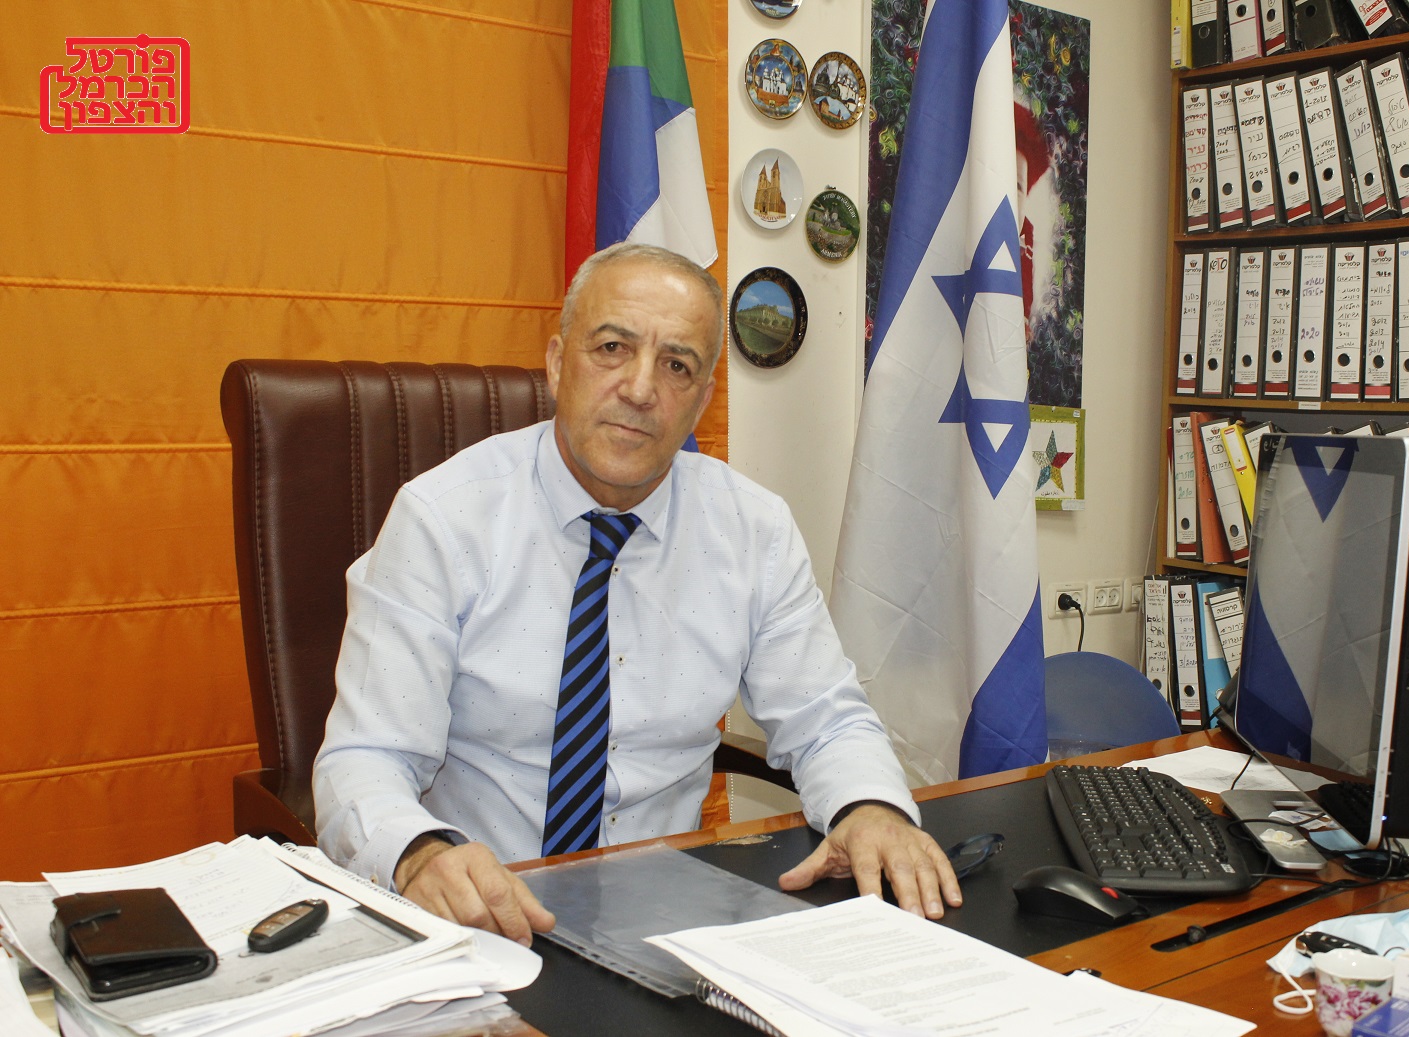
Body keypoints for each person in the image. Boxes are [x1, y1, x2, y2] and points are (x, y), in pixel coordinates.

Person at [313, 243, 959, 945]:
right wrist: (419, 854)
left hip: (664, 923)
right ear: (558, 363)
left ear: (702, 400)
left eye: (677, 365)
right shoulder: (443, 518)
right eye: (612, 348)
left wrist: (868, 807)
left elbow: (827, 720)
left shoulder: (753, 529)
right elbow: (367, 757)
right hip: (478, 921)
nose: (641, 388)